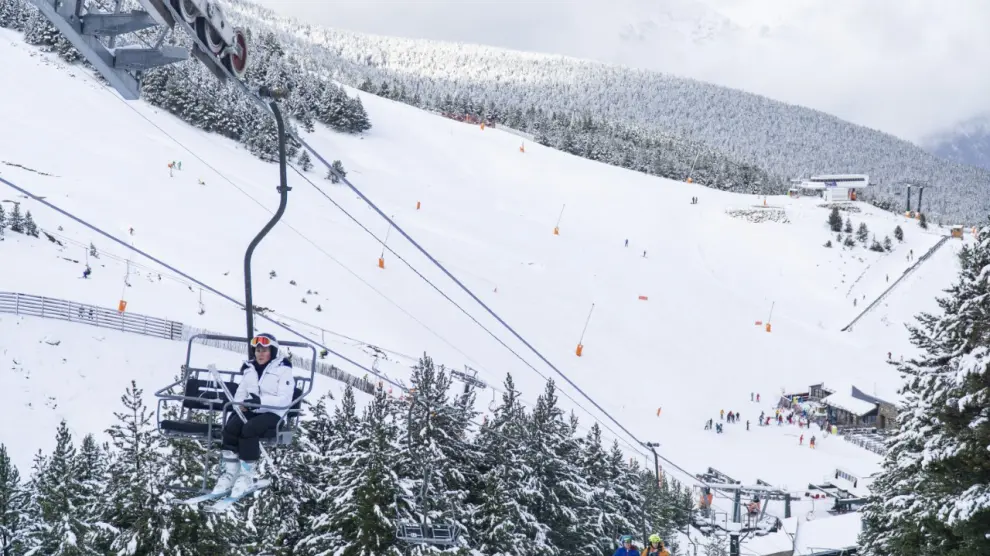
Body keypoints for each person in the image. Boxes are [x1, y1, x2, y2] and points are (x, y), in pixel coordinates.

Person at [212, 333, 295, 496]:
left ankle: (247, 475)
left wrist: (261, 401)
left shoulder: (283, 370)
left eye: (264, 350)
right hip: (253, 409)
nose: (260, 354)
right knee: (231, 426)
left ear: (272, 351)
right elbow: (240, 392)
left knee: (249, 429)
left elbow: (285, 399)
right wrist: (239, 405)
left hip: (273, 413)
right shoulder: (249, 370)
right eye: (257, 350)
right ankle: (230, 473)